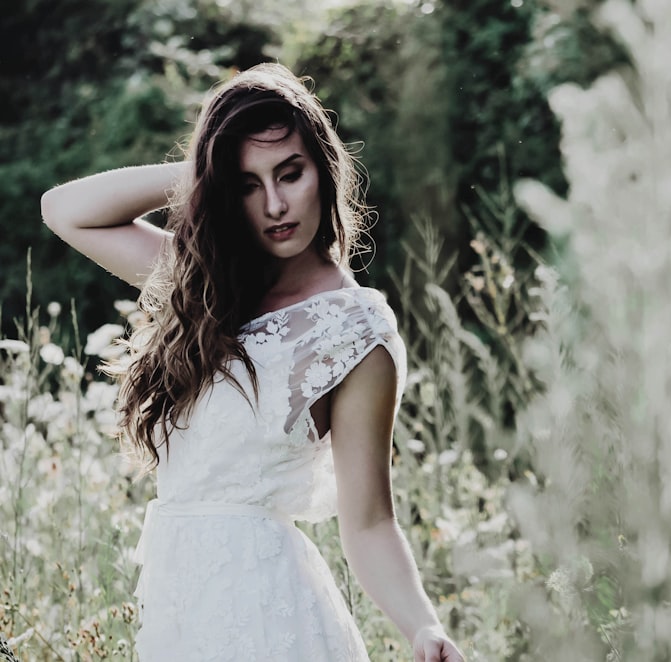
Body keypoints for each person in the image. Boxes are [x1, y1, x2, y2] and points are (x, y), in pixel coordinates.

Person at [40, 63, 465, 662]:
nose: (274, 204)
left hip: (269, 617)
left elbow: (369, 521)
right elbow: (65, 210)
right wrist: (205, 169)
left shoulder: (356, 333)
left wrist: (422, 625)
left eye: (290, 174)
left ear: (325, 170)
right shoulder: (205, 289)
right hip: (179, 611)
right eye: (246, 184)